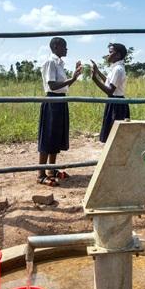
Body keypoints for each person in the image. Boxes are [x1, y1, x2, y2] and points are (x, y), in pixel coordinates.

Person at [37, 37, 82, 186]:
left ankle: (51, 169)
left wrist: (73, 77)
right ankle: (41, 174)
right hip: (52, 101)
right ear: (56, 46)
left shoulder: (59, 63)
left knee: (55, 136)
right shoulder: (51, 62)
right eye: (64, 46)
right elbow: (53, 85)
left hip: (60, 101)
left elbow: (62, 86)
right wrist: (72, 78)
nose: (66, 49)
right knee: (48, 137)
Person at [90, 43, 130, 143]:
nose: (108, 55)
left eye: (111, 52)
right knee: (112, 136)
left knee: (114, 137)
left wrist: (95, 79)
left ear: (118, 55)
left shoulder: (118, 69)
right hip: (115, 102)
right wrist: (98, 72)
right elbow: (109, 82)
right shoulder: (115, 68)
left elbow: (109, 90)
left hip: (116, 104)